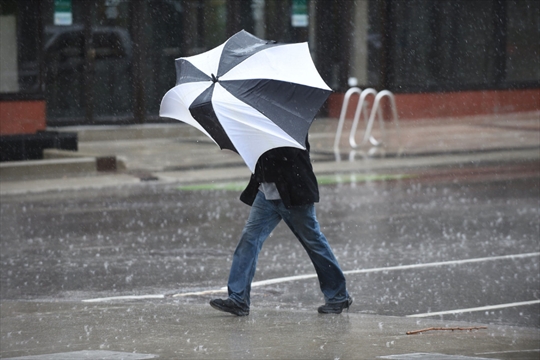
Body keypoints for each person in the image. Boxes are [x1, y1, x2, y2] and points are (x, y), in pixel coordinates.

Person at [210, 138, 351, 316]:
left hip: (293, 193)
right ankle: (238, 299)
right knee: (249, 239)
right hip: (266, 192)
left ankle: (338, 296)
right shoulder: (257, 123)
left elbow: (289, 155)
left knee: (313, 242)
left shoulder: (287, 126)